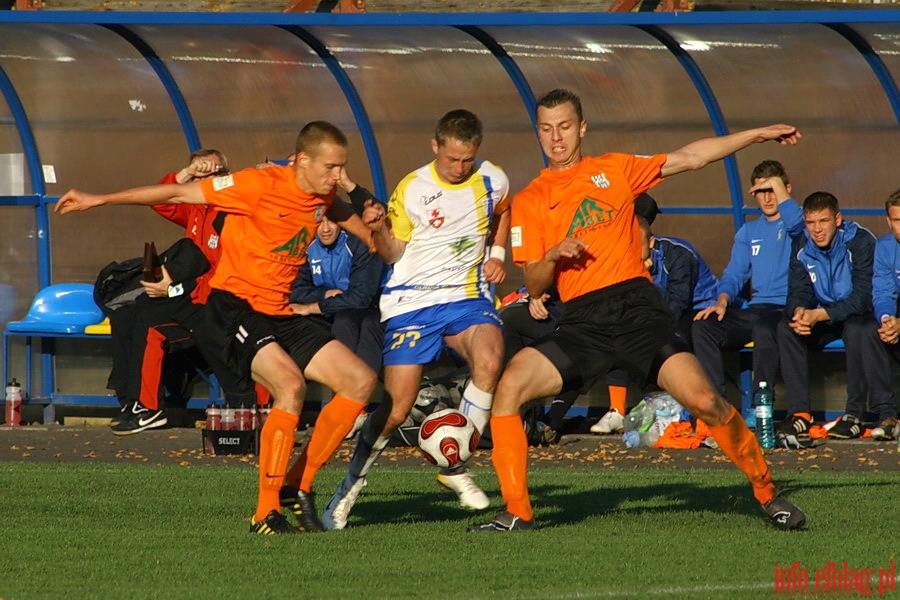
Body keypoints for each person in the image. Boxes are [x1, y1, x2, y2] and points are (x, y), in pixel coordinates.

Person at [468, 88, 806, 533]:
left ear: (582, 128)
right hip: (582, 321)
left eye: (565, 127)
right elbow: (533, 281)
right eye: (547, 129)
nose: (556, 137)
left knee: (706, 400)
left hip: (636, 310)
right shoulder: (531, 198)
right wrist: (552, 256)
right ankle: (517, 513)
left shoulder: (614, 169)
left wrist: (757, 134)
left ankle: (766, 491)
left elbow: (690, 157)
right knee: (508, 389)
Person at [56, 121, 379, 535]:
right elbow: (175, 193)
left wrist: (375, 232)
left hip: (279, 311)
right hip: (233, 308)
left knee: (359, 382)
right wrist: (98, 198)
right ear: (301, 159)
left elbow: (360, 226)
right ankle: (265, 513)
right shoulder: (257, 184)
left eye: (342, 167)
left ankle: (298, 483)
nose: (339, 176)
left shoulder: (325, 195)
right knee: (291, 387)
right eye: (331, 167)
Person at [321, 108, 510, 529]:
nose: (459, 168)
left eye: (467, 159)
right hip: (412, 302)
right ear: (435, 146)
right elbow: (392, 253)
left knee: (490, 361)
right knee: (396, 407)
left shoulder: (493, 178)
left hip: (465, 297)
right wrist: (379, 230)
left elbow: (503, 211)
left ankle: (455, 463)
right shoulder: (412, 188)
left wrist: (497, 254)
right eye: (451, 159)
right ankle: (348, 486)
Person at [107, 149, 264, 435]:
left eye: (214, 174)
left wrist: (176, 286)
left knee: (148, 321)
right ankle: (136, 404)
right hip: (192, 298)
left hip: (216, 306)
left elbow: (223, 267)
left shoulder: (233, 211)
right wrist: (186, 174)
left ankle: (148, 407)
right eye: (202, 175)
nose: (207, 180)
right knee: (128, 313)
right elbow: (162, 201)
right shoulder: (196, 206)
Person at [776, 192, 893, 442]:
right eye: (810, 223)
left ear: (837, 219)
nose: (816, 230)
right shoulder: (801, 243)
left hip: (857, 314)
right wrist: (799, 312)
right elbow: (798, 289)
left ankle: (854, 415)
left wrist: (819, 314)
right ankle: (800, 414)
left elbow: (863, 297)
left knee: (858, 329)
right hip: (823, 314)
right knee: (786, 327)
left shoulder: (860, 241)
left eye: (823, 221)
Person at [691, 161, 804, 417]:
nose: (767, 197)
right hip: (757, 308)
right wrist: (721, 300)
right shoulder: (748, 231)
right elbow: (734, 273)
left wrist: (779, 189)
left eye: (772, 189)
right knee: (703, 326)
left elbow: (797, 223)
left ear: (785, 188)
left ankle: (759, 405)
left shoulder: (797, 225)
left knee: (765, 329)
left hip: (786, 307)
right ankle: (717, 408)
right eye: (760, 191)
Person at [289, 208, 385, 375]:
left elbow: (360, 298)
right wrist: (323, 294)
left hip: (372, 308)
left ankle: (355, 392)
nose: (325, 229)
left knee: (352, 322)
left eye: (332, 221)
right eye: (320, 221)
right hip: (332, 309)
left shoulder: (359, 242)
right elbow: (294, 290)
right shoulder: (304, 245)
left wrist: (313, 307)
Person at [870, 189, 900, 441]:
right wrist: (887, 319)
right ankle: (887, 415)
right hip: (897, 318)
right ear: (889, 221)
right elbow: (882, 292)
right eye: (898, 220)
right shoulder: (884, 247)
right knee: (870, 331)